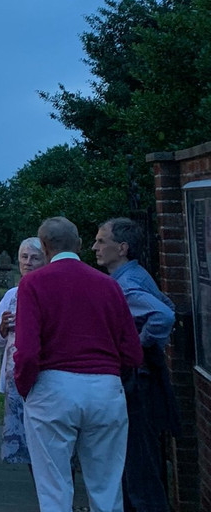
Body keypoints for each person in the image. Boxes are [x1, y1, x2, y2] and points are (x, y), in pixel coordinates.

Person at [15, 217, 143, 512]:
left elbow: (28, 351)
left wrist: (26, 388)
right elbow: (133, 352)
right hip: (105, 387)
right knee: (107, 486)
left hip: (53, 386)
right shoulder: (109, 285)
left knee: (54, 488)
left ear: (44, 247)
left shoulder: (33, 283)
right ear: (80, 245)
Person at [93, 217, 179, 512]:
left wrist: (138, 344)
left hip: (138, 383)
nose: (95, 247)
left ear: (123, 247)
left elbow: (164, 317)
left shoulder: (126, 285)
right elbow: (167, 304)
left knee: (139, 468)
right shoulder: (134, 276)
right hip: (143, 379)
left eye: (102, 241)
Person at [0, 237, 46, 467]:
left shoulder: (47, 290)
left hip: (42, 373)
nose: (28, 262)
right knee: (24, 442)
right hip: (15, 374)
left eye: (35, 257)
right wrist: (3, 327)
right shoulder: (11, 295)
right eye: (24, 257)